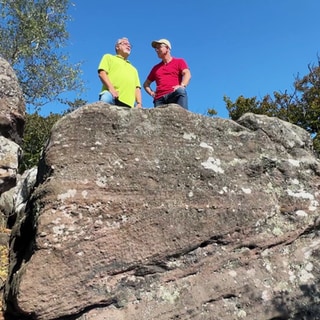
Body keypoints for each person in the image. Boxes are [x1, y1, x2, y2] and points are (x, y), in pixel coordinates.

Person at [143, 38, 191, 110]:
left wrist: (182, 85)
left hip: (174, 94)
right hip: (159, 98)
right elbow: (146, 84)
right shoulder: (156, 68)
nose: (157, 50)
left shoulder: (179, 61)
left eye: (159, 47)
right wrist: (151, 93)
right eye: (156, 48)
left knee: (181, 91)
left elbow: (187, 73)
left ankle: (185, 118)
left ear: (167, 48)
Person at [98, 37, 142, 108]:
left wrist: (139, 103)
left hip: (129, 103)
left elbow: (137, 88)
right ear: (117, 47)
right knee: (103, 105)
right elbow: (102, 73)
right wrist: (111, 89)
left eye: (129, 45)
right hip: (110, 95)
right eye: (125, 43)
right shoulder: (109, 57)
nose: (128, 46)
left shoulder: (134, 69)